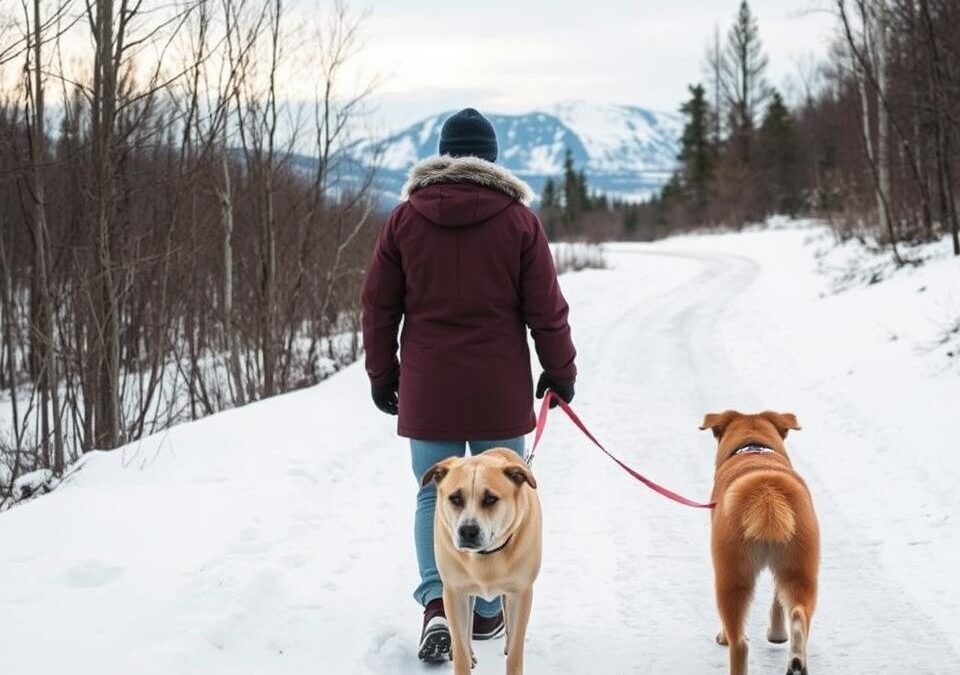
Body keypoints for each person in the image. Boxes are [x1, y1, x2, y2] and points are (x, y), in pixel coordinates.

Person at [360, 107, 577, 663]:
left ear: (443, 154)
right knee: (504, 496)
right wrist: (560, 370)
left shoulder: (404, 220)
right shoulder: (519, 222)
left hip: (428, 388)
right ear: (492, 159)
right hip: (499, 391)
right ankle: (485, 608)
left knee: (437, 495)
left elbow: (378, 306)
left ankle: (439, 602)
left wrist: (383, 375)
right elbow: (546, 310)